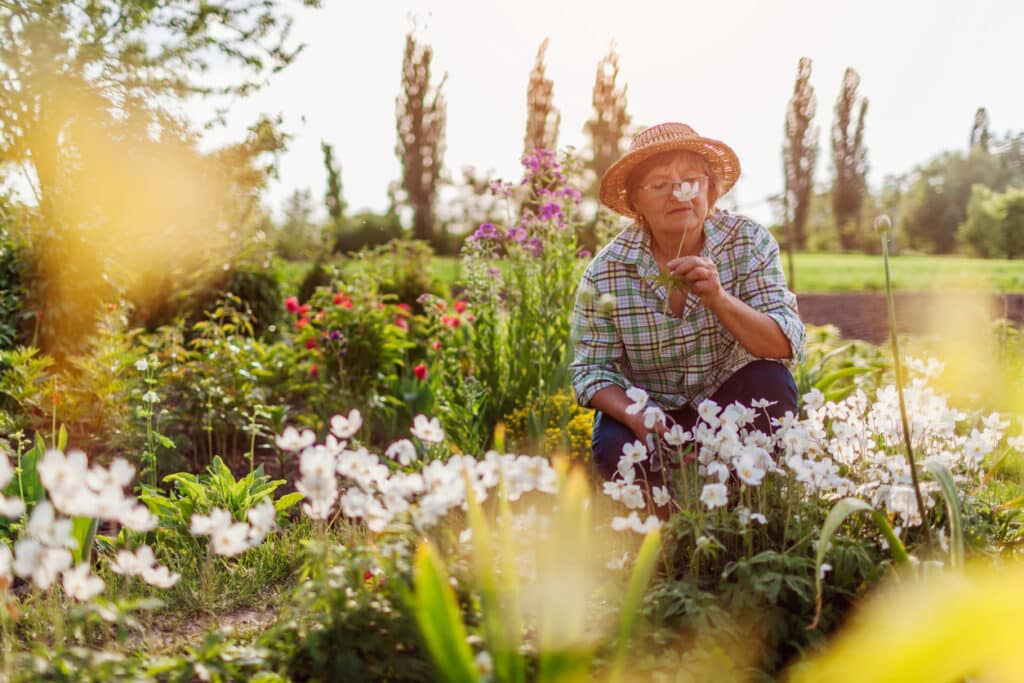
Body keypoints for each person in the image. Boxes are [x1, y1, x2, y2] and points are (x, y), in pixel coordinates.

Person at [570, 122, 805, 484]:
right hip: (650, 412)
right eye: (660, 185)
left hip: (730, 401)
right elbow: (591, 370)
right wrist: (637, 415)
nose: (680, 194)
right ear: (635, 203)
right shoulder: (606, 272)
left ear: (710, 190)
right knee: (616, 450)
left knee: (771, 383)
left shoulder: (748, 241)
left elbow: (784, 344)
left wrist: (718, 298)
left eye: (691, 181)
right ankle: (664, 526)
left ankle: (746, 511)